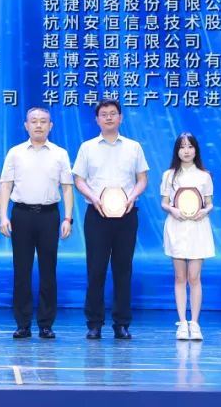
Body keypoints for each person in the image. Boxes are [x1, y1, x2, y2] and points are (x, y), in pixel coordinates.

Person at [72, 99, 149, 340]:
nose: (108, 117)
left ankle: (121, 323)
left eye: (113, 113)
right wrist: (94, 198)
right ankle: (94, 323)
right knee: (96, 269)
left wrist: (131, 197)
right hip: (97, 215)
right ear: (97, 119)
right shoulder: (87, 147)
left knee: (123, 270)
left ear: (120, 118)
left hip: (126, 215)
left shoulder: (134, 147)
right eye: (103, 114)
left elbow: (142, 179)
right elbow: (79, 179)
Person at [0, 107, 74, 339]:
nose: (38, 125)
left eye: (43, 121)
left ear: (50, 126)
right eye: (34, 121)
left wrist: (68, 218)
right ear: (26, 125)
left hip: (49, 215)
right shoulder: (15, 153)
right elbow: (6, 185)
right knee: (21, 270)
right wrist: (3, 216)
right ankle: (22, 324)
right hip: (21, 214)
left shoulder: (60, 153)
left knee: (48, 270)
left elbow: (67, 187)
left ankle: (46, 324)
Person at [160, 133, 215, 341]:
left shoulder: (204, 176)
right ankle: (182, 322)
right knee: (180, 277)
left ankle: (195, 323)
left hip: (198, 228)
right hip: (177, 227)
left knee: (194, 277)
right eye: (182, 147)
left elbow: (209, 203)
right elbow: (164, 202)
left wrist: (205, 211)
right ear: (177, 150)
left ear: (196, 150)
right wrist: (172, 210)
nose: (186, 150)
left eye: (190, 146)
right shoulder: (169, 175)